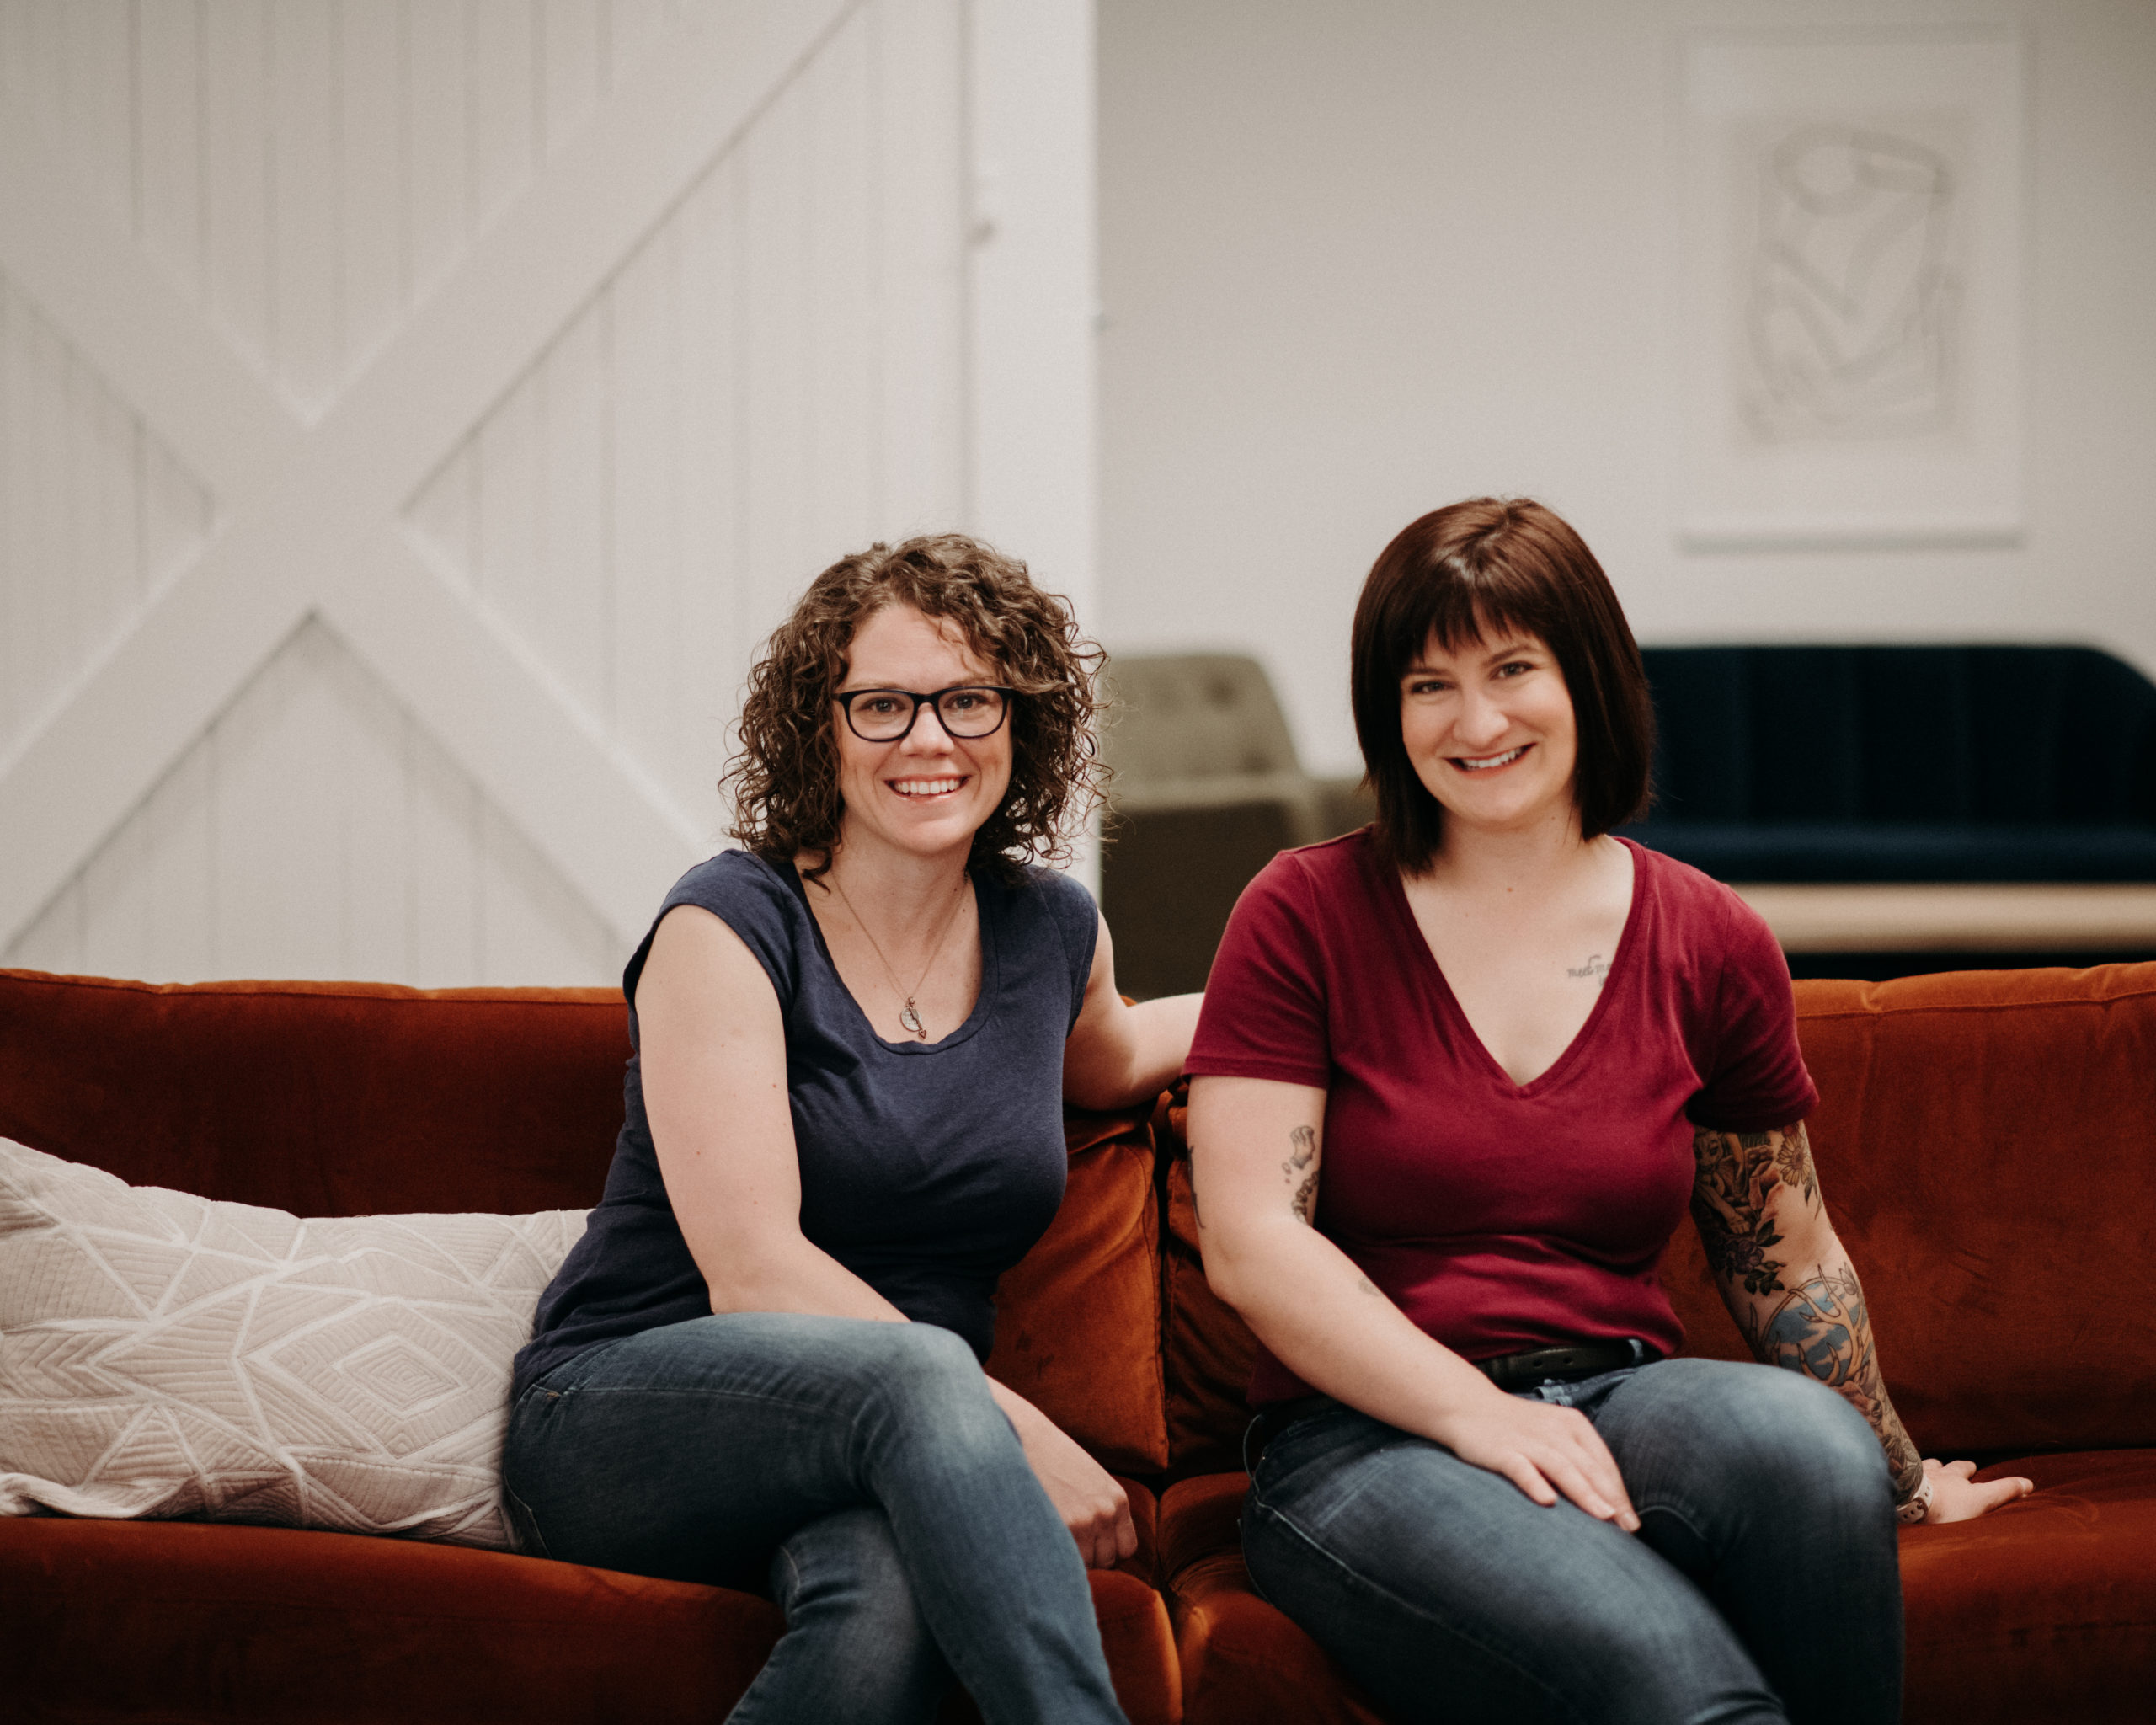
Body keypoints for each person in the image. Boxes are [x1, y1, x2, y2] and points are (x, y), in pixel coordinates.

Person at [1183, 499, 2032, 1725]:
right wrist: (1472, 1413)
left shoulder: (1710, 938)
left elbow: (1784, 1261)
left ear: (1589, 677)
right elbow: (1255, 1241)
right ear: (1389, 711)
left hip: (1622, 1395)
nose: (1476, 723)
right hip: (1358, 1440)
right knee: (1669, 1681)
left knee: (1808, 1450)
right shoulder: (1303, 911)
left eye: (1513, 669)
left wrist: (1897, 1477)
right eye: (1430, 686)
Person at [504, 534, 1199, 1725]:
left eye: (968, 700)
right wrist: (1014, 1428)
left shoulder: (1051, 932)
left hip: (895, 1449)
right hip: (631, 1413)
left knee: (881, 1619)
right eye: (882, 705)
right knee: (923, 1374)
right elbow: (753, 1270)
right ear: (820, 730)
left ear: (1019, 721)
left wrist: (1342, 997)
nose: (929, 740)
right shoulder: (729, 923)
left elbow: (1120, 1054)